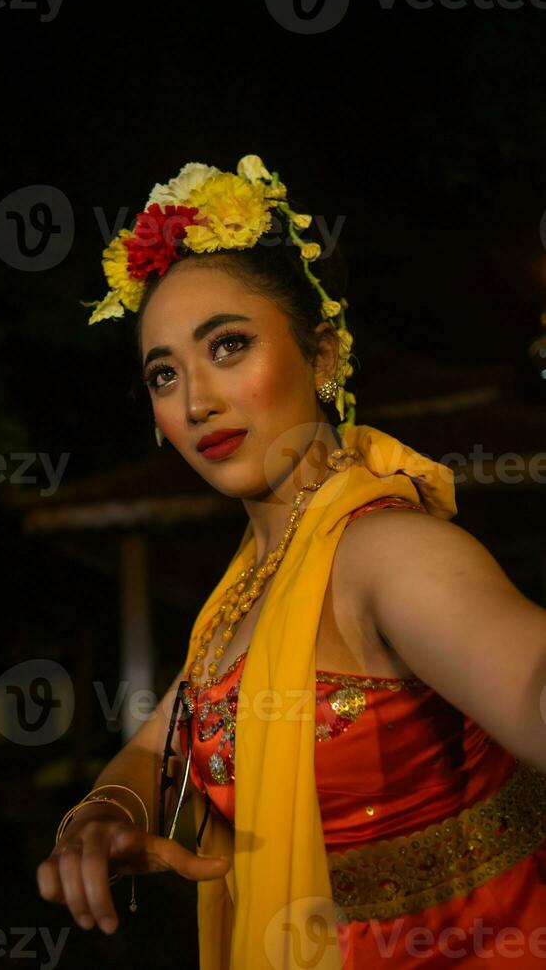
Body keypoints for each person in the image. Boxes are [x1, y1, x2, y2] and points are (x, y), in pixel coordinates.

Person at [36, 155, 546, 969]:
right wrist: (99, 814)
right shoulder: (246, 588)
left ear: (323, 356)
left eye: (228, 346)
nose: (196, 400)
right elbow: (156, 749)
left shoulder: (383, 552)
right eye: (164, 373)